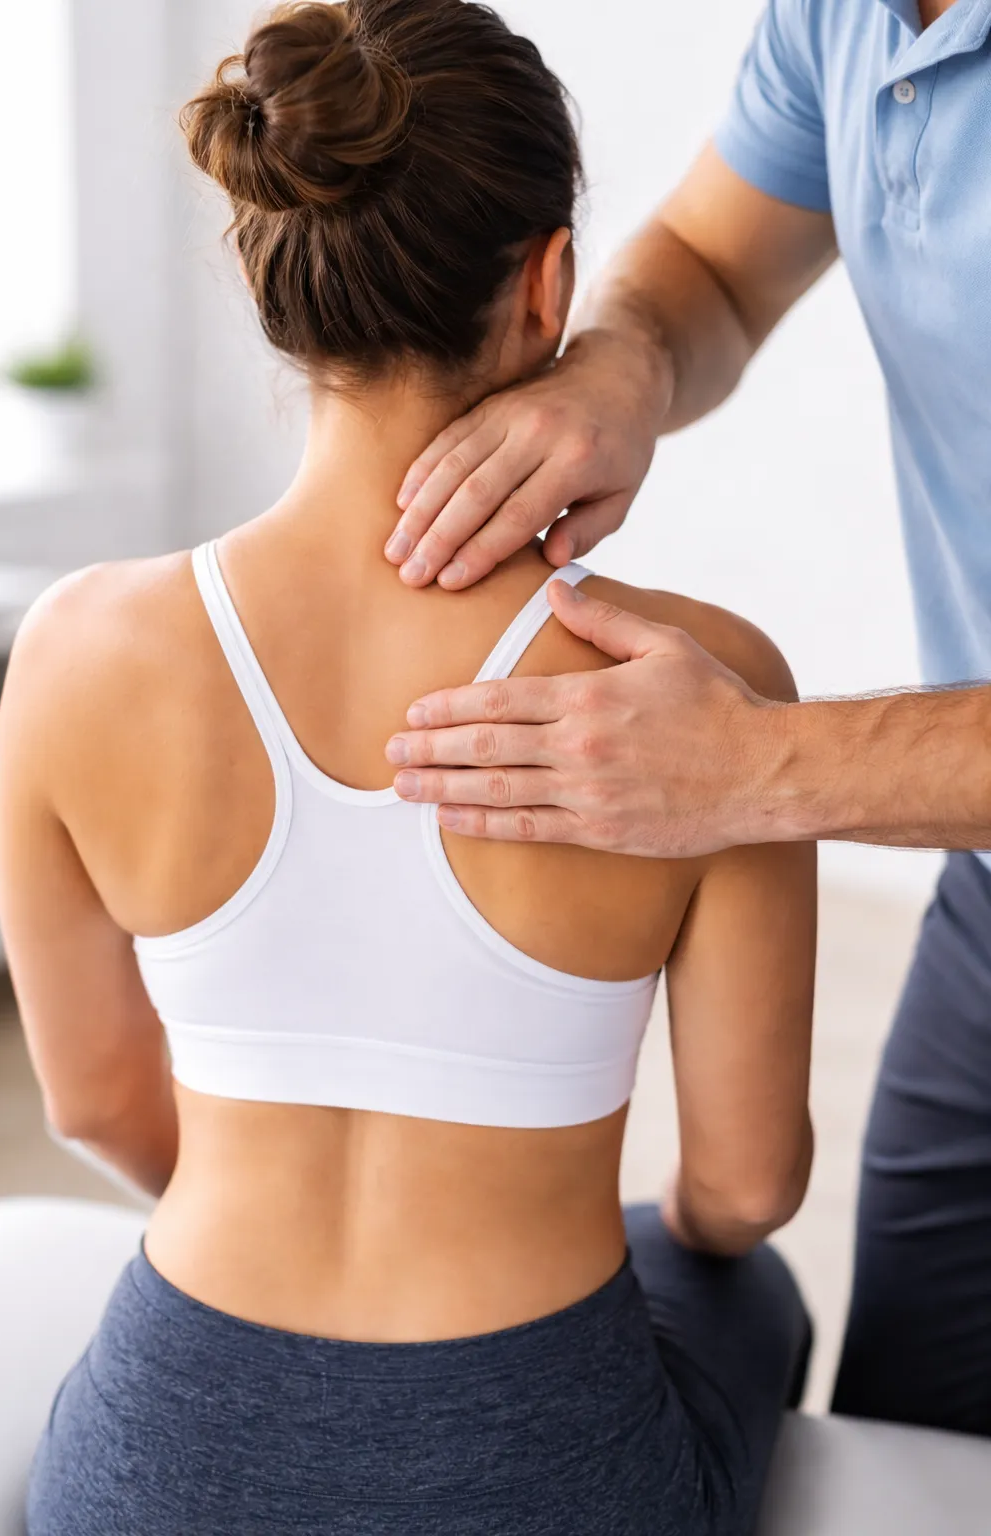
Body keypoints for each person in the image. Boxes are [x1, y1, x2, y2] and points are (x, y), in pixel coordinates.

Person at [0, 4, 814, 1533]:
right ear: (549, 283)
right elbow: (745, 1189)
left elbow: (97, 1103)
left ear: (272, 280)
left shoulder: (73, 650)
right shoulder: (706, 687)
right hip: (540, 1465)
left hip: (162, 1455)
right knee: (742, 1286)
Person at [383, 0, 991, 1437]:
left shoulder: (86, 642)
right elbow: (713, 265)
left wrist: (763, 765)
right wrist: (624, 360)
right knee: (916, 1430)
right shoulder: (842, 19)